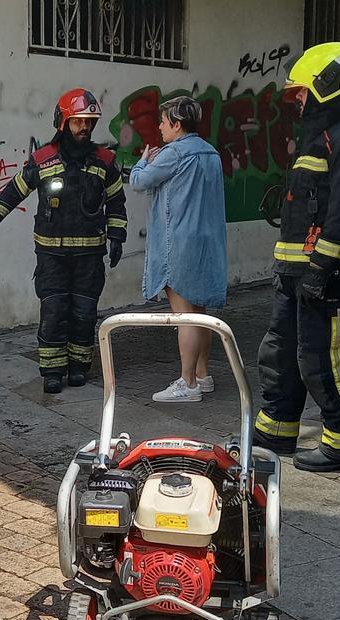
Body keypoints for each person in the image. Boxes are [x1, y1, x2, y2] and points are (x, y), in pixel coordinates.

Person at [253, 42, 340, 473]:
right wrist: (292, 271)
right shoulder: (320, 137)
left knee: (325, 358)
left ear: (327, 85)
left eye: (304, 91)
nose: (300, 100)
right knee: (281, 353)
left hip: (328, 273)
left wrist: (322, 267)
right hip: (295, 272)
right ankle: (276, 430)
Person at [0, 88, 128, 394]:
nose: (85, 128)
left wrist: (117, 237)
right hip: (51, 256)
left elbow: (117, 203)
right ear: (63, 122)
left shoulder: (105, 161)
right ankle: (52, 371)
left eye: (89, 122)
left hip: (90, 257)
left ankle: (79, 367)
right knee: (53, 313)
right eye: (78, 121)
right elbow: (12, 193)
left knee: (83, 314)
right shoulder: (42, 160)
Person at [128, 95, 227, 404]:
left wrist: (143, 159)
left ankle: (187, 383)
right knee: (199, 314)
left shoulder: (174, 153)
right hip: (206, 241)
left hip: (179, 243)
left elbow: (139, 181)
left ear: (177, 124)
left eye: (163, 121)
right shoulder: (210, 152)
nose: (159, 127)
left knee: (184, 315)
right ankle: (203, 375)